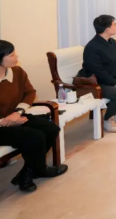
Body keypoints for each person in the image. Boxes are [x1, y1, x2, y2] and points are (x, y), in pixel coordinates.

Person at [0, 40, 68, 192]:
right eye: (11, 55)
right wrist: (6, 121)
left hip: (16, 116)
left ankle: (28, 172)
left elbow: (30, 92)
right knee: (34, 136)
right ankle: (38, 170)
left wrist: (17, 113)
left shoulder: (17, 72)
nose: (16, 57)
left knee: (51, 128)